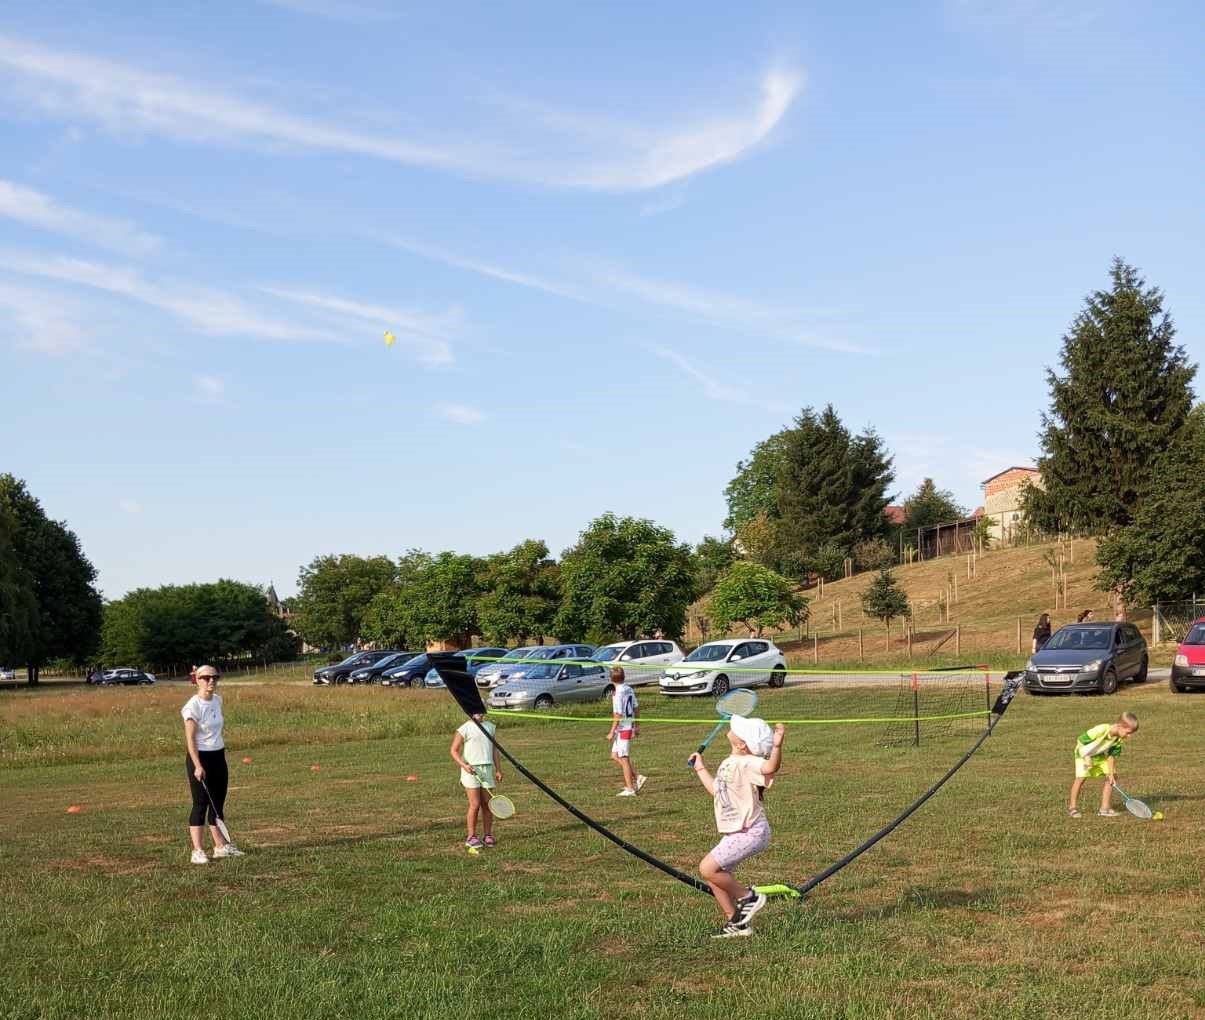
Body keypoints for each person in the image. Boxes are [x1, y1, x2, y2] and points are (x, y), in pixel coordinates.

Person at [689, 715, 786, 939]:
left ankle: (748, 897)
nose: (732, 728)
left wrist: (777, 746)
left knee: (707, 868)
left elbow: (771, 766)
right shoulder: (729, 762)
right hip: (735, 833)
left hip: (751, 831)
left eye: (738, 729)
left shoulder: (747, 762)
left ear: (742, 744)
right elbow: (717, 791)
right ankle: (737, 924)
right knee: (715, 878)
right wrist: (700, 769)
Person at [182, 665, 243, 863]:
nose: (211, 681)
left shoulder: (217, 700)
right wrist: (198, 766)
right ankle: (197, 851)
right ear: (197, 680)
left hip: (218, 756)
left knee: (217, 804)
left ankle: (220, 847)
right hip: (200, 758)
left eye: (215, 677)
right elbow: (190, 740)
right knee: (200, 804)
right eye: (206, 678)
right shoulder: (192, 707)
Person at [1068, 713, 1139, 818]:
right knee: (1081, 778)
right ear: (1119, 726)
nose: (1129, 736)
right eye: (1128, 733)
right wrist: (1086, 757)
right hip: (1082, 753)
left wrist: (1110, 774)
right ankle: (1072, 808)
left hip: (1097, 755)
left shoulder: (1118, 739)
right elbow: (1081, 740)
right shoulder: (1101, 729)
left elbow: (1111, 757)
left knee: (1112, 776)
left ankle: (1104, 809)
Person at [450, 710, 502, 851]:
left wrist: (498, 769)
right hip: (471, 770)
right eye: (476, 711)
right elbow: (454, 750)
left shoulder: (490, 727)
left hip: (487, 770)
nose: (480, 714)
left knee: (487, 803)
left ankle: (487, 835)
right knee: (475, 804)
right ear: (470, 713)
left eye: (482, 711)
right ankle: (471, 837)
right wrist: (464, 765)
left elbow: (494, 750)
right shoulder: (465, 728)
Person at [606, 667, 647, 797]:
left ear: (610, 679)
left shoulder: (618, 693)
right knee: (614, 755)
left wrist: (611, 731)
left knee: (624, 758)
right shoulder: (629, 689)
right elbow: (636, 708)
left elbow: (617, 714)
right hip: (625, 727)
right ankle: (637, 776)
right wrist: (637, 725)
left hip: (624, 728)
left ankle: (630, 789)